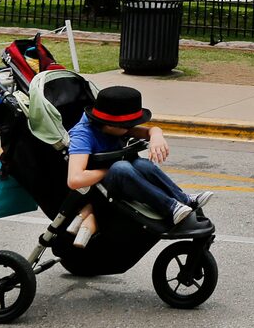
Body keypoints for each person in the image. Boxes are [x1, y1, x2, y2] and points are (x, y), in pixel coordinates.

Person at [64, 86, 211, 243]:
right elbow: (75, 179)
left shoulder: (113, 127)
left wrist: (156, 136)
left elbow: (150, 131)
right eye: (129, 125)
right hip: (99, 189)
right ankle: (171, 207)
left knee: (143, 164)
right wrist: (109, 170)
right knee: (122, 167)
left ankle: (184, 199)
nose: (131, 128)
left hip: (125, 177)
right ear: (111, 125)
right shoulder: (83, 135)